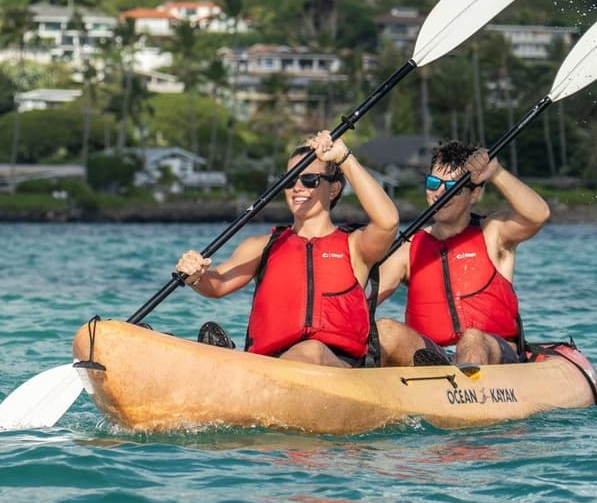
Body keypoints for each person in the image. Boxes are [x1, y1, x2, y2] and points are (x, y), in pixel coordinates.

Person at [172, 132, 399, 367]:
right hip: (272, 365)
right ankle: (236, 368)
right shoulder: (262, 246)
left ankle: (236, 368)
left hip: (336, 367)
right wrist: (196, 277)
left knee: (311, 350)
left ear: (333, 190)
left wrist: (343, 157)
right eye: (289, 180)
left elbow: (388, 221)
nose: (297, 188)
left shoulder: (355, 246)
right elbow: (218, 284)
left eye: (309, 180)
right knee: (300, 354)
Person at [370, 141, 550, 367]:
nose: (439, 192)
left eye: (452, 186)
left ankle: (466, 383)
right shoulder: (408, 248)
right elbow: (364, 299)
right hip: (432, 357)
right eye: (434, 183)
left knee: (472, 338)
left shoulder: (493, 232)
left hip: (492, 353)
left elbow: (538, 215)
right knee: (386, 329)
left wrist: (496, 173)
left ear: (474, 194)